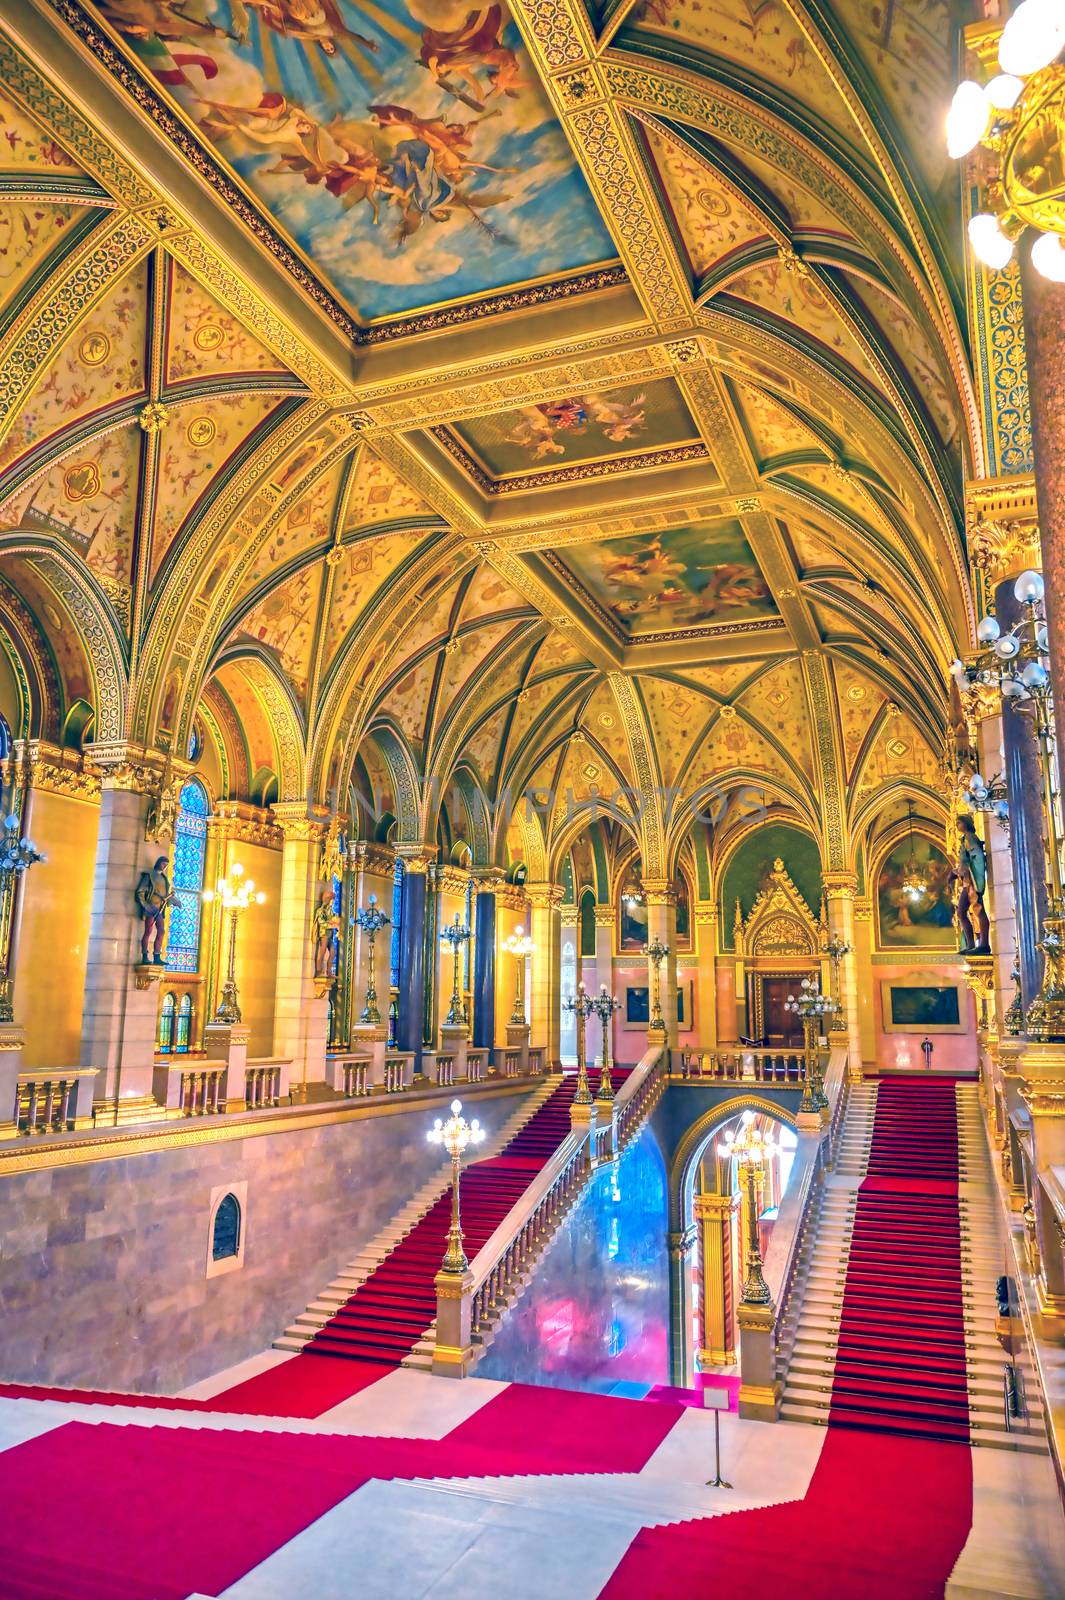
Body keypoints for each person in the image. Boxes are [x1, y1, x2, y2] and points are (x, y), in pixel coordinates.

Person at [135, 856, 175, 965]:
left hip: (160, 908)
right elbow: (140, 891)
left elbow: (166, 895)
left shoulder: (164, 878)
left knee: (161, 931)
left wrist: (174, 900)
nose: (165, 866)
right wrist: (145, 906)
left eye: (166, 865)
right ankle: (144, 956)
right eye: (163, 864)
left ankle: (157, 956)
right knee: (148, 931)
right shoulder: (149, 875)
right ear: (158, 863)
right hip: (151, 907)